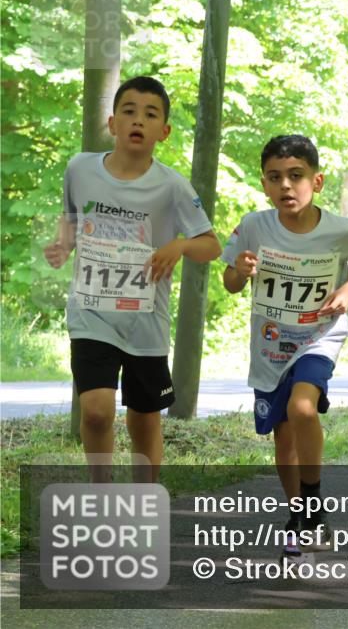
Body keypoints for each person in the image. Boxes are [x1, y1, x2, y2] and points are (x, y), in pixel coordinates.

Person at [44, 76, 221, 482]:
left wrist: (178, 246)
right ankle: (102, 494)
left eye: (150, 114)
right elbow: (72, 217)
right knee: (97, 411)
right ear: (112, 123)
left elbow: (210, 245)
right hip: (91, 312)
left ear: (164, 130)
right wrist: (63, 245)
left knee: (144, 420)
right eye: (129, 111)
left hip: (146, 320)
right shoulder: (80, 168)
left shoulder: (172, 186)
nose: (138, 120)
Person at [222, 135, 348, 559]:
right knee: (283, 435)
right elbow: (231, 284)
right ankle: (299, 514)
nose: (286, 186)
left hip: (319, 334)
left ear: (318, 181)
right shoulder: (254, 226)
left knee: (302, 408)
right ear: (264, 184)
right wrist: (239, 270)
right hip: (272, 342)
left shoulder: (338, 229)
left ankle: (312, 504)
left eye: (296, 176)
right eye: (275, 178)